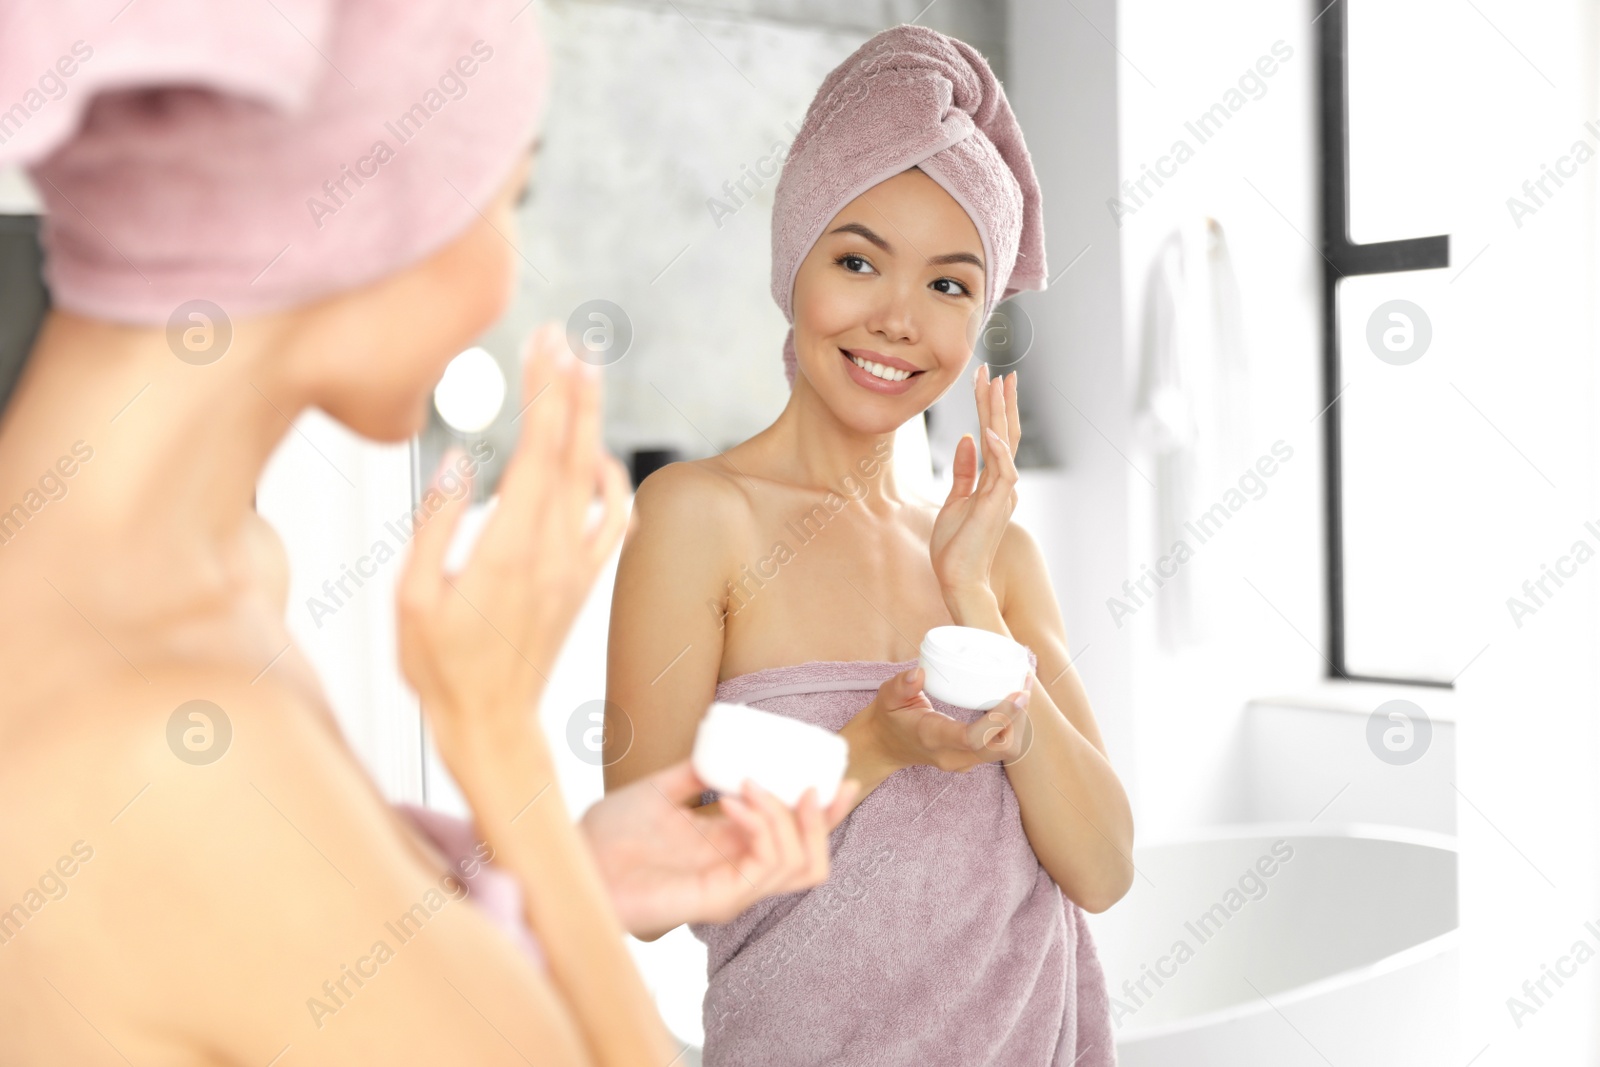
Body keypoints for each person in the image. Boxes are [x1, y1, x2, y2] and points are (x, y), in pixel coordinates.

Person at [0, 2, 854, 1064]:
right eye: (511, 198)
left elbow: (268, 964)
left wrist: (569, 879)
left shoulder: (209, 577)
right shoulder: (158, 749)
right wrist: (499, 743)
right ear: (367, 219)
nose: (508, 270)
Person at [605, 25, 1132, 1066]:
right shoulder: (699, 516)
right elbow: (642, 886)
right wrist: (878, 747)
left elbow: (1103, 868)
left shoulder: (996, 558)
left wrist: (971, 592)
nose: (899, 318)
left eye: (949, 284)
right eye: (857, 261)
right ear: (794, 264)